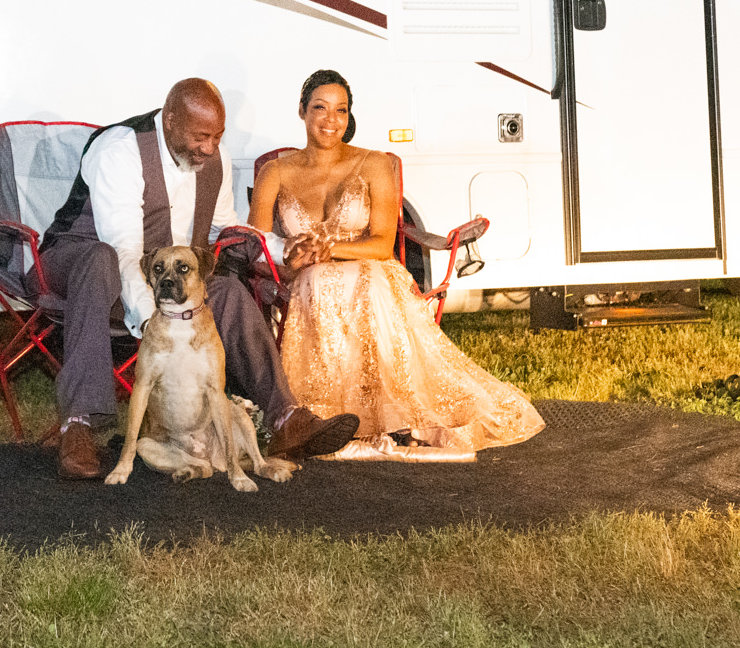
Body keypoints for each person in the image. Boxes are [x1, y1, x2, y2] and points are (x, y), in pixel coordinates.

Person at [40, 77, 360, 481]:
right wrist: (153, 322)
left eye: (218, 136)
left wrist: (282, 250)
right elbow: (123, 249)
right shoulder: (120, 150)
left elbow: (223, 228)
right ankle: (80, 426)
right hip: (80, 262)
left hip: (163, 277)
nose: (210, 148)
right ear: (170, 120)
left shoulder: (214, 158)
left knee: (227, 290)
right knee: (99, 261)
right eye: (201, 136)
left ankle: (285, 419)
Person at [253, 69, 545, 459]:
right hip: (302, 278)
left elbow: (380, 243)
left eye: (341, 110)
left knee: (365, 282)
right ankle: (324, 417)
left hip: (369, 267)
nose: (330, 120)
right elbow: (253, 245)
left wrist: (328, 249)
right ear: (302, 111)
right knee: (316, 283)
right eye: (320, 108)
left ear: (349, 116)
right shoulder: (276, 171)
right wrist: (291, 261)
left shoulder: (373, 164)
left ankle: (387, 413)